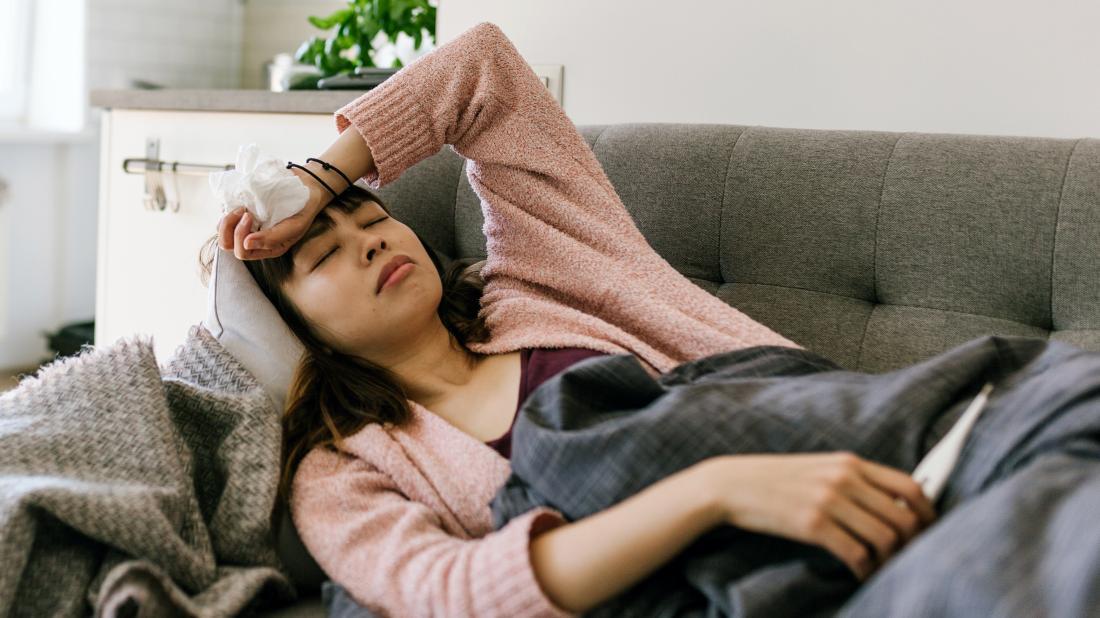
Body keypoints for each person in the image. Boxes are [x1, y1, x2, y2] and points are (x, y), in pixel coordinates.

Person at [200, 21, 936, 617]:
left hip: (832, 437)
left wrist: (320, 175)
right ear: (293, 327)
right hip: (728, 573)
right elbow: (449, 590)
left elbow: (483, 68)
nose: (374, 243)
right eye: (325, 255)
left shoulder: (541, 280)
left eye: (371, 220)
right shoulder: (343, 468)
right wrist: (717, 489)